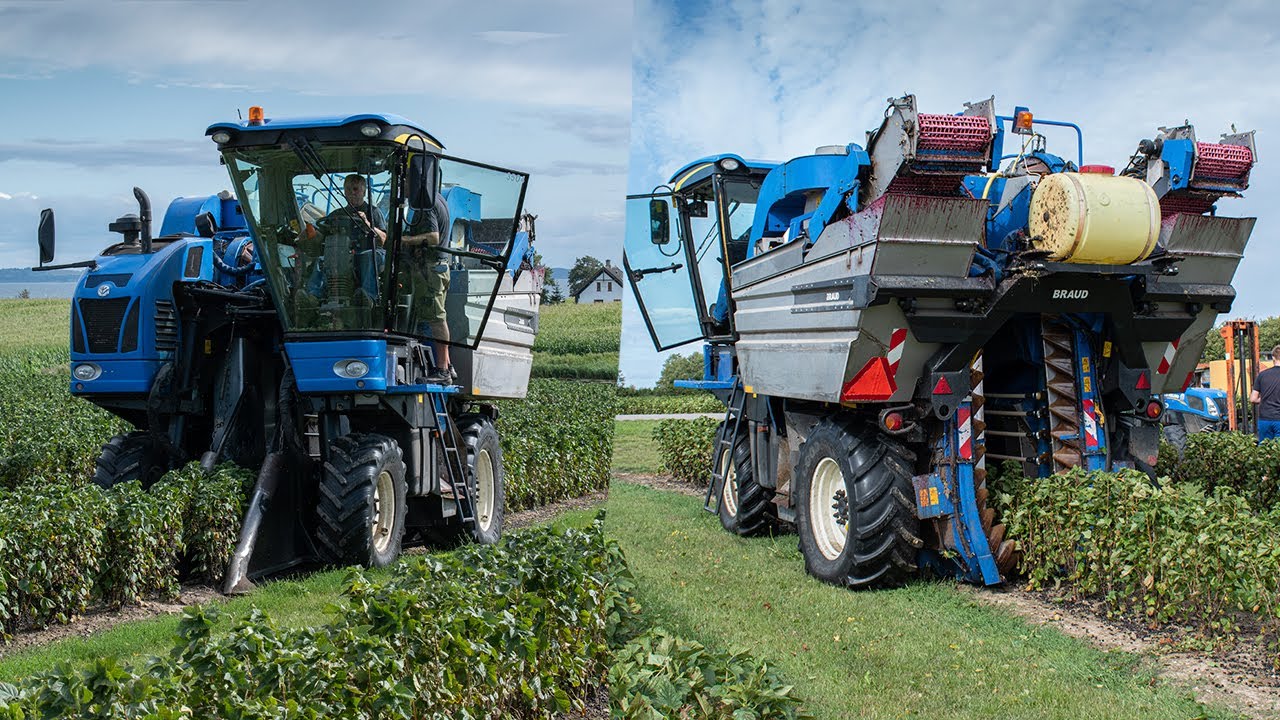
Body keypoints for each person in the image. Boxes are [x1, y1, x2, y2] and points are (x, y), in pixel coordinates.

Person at [401, 192, 455, 385]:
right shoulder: (439, 198)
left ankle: (442, 371)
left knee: (436, 319)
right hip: (438, 268)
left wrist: (406, 240)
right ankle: (447, 365)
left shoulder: (425, 203)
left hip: (430, 270)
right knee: (437, 316)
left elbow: (433, 237)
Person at [1250, 346, 1280, 442]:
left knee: (1264, 451)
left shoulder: (1262, 375)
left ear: (1273, 357)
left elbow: (1253, 399)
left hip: (1264, 419)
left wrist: (1264, 399)